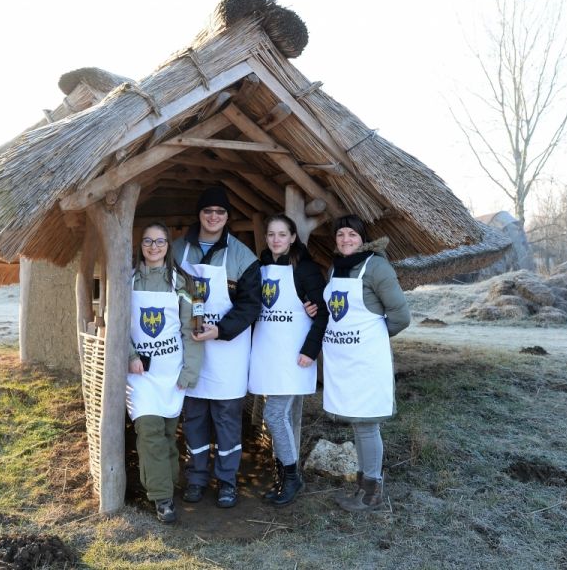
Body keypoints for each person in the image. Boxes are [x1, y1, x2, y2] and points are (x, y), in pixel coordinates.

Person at [172, 186, 262, 508]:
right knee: (194, 416)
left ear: (227, 217)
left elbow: (251, 305)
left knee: (226, 419)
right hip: (191, 350)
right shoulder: (178, 249)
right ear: (199, 214)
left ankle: (226, 481)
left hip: (228, 352)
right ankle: (196, 477)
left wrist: (220, 330)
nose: (213, 217)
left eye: (220, 212)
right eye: (208, 211)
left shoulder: (242, 256)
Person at [322, 214, 410, 512]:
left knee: (367, 426)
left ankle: (372, 491)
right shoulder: (337, 267)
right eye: (341, 234)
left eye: (352, 235)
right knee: (358, 424)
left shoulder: (377, 267)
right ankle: (362, 485)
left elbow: (400, 316)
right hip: (345, 362)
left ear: (363, 238)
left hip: (367, 362)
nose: (346, 239)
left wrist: (371, 341)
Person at [248, 214, 328, 506]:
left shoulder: (305, 269)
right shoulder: (260, 268)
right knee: (282, 418)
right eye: (271, 234)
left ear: (293, 237)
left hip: (295, 356)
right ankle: (284, 478)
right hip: (268, 353)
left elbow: (323, 313)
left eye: (283, 234)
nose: (276, 240)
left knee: (274, 416)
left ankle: (292, 478)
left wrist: (310, 350)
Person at [128, 222, 204, 524]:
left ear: (168, 245)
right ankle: (162, 499)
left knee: (168, 434)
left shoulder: (183, 284)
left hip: (171, 372)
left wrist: (189, 370)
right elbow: (115, 322)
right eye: (148, 241)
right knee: (149, 431)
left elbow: (192, 331)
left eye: (160, 241)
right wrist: (130, 356)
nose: (154, 247)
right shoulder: (127, 282)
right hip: (140, 374)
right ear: (141, 245)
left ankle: (167, 485)